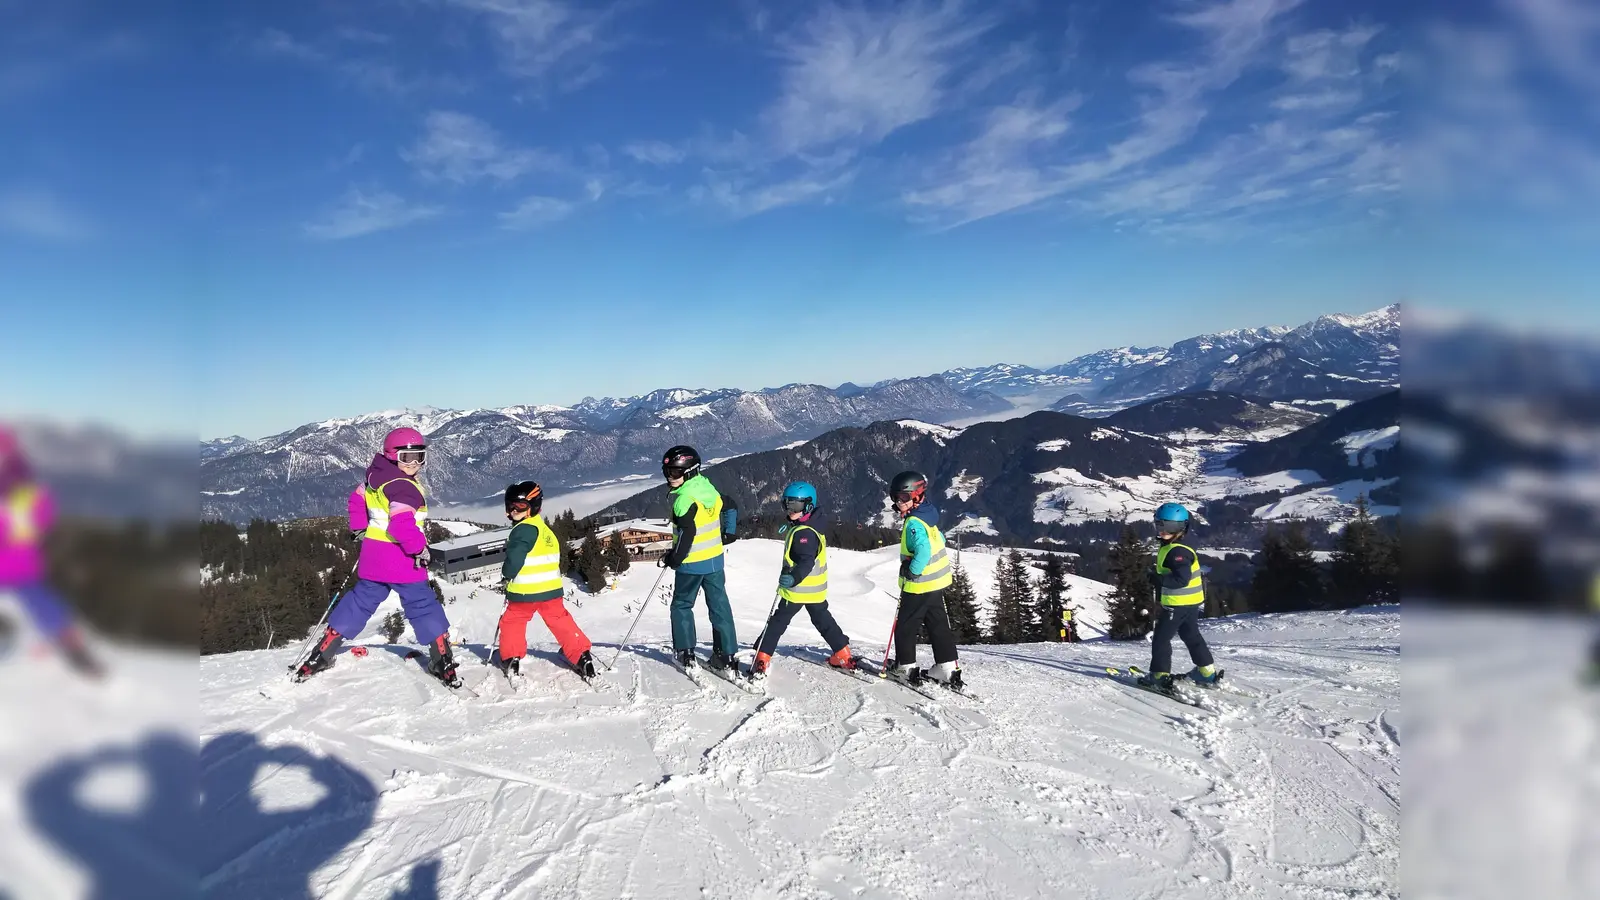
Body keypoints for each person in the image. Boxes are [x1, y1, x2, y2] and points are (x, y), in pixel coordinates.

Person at [296, 427, 459, 687]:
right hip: (402, 558)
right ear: (392, 455)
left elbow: (356, 499)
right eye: (408, 457)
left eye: (420, 456)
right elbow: (401, 527)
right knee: (421, 603)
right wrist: (420, 550)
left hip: (373, 556)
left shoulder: (375, 477)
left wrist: (360, 527)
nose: (415, 464)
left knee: (361, 601)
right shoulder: (404, 488)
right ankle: (441, 659)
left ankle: (325, 650)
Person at [0, 427, 102, 677]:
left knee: (40, 602)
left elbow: (43, 517)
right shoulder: (28, 490)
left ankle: (70, 645)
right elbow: (46, 516)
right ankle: (68, 643)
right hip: (21, 564)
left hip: (18, 564)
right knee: (40, 602)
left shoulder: (25, 492)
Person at [748, 481, 856, 682]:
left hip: (797, 590)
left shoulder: (804, 533)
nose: (790, 510)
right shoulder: (813, 524)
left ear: (808, 506)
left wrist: (793, 577)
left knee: (778, 622)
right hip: (815, 592)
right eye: (787, 504)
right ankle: (843, 654)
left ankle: (762, 657)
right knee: (824, 621)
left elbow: (806, 561)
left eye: (795, 506)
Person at [494, 481, 596, 678]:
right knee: (560, 621)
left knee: (513, 621)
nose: (513, 511)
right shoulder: (545, 531)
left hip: (524, 592)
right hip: (551, 591)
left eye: (520, 507)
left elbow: (515, 558)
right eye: (510, 506)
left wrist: (506, 575)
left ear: (533, 507)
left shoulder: (523, 529)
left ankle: (511, 657)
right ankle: (581, 655)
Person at [659, 445, 740, 674]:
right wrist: (729, 533)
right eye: (667, 472)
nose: (670, 477)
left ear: (690, 471)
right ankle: (726, 656)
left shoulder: (683, 499)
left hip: (691, 565)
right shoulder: (708, 488)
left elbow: (687, 535)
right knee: (719, 607)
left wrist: (674, 559)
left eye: (675, 472)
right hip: (714, 561)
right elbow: (730, 504)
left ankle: (685, 653)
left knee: (682, 605)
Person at [885, 470, 962, 689]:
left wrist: (913, 571)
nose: (899, 502)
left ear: (917, 496)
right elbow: (940, 538)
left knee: (906, 627)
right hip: (936, 583)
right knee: (938, 625)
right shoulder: (928, 514)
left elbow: (923, 550)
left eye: (904, 498)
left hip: (919, 585)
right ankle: (946, 668)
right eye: (895, 497)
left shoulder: (914, 523)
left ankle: (905, 667)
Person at [1138, 502, 1222, 691]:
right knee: (1191, 635)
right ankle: (1207, 673)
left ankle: (1159, 676)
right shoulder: (1175, 546)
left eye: (1169, 527)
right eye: (1159, 525)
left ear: (1181, 528)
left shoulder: (1178, 552)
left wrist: (1158, 579)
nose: (1163, 531)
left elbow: (1181, 579)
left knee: (1160, 639)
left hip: (1177, 604)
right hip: (1190, 604)